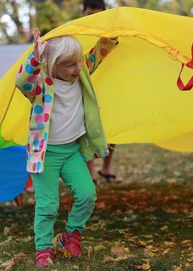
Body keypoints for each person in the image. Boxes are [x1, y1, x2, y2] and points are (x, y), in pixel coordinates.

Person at [15, 27, 118, 267]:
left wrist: (111, 35)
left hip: (71, 151)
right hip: (46, 154)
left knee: (87, 194)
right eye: (70, 65)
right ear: (53, 65)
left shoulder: (81, 73)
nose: (78, 68)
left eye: (78, 62)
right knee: (48, 205)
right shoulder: (41, 84)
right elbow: (22, 81)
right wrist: (35, 58)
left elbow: (96, 56)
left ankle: (70, 234)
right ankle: (43, 249)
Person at [82, 0, 121, 184]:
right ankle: (91, 171)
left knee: (113, 126)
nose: (93, 18)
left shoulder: (109, 32)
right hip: (87, 88)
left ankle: (106, 168)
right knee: (86, 129)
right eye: (90, 13)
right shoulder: (77, 33)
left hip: (109, 86)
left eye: (97, 14)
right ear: (83, 12)